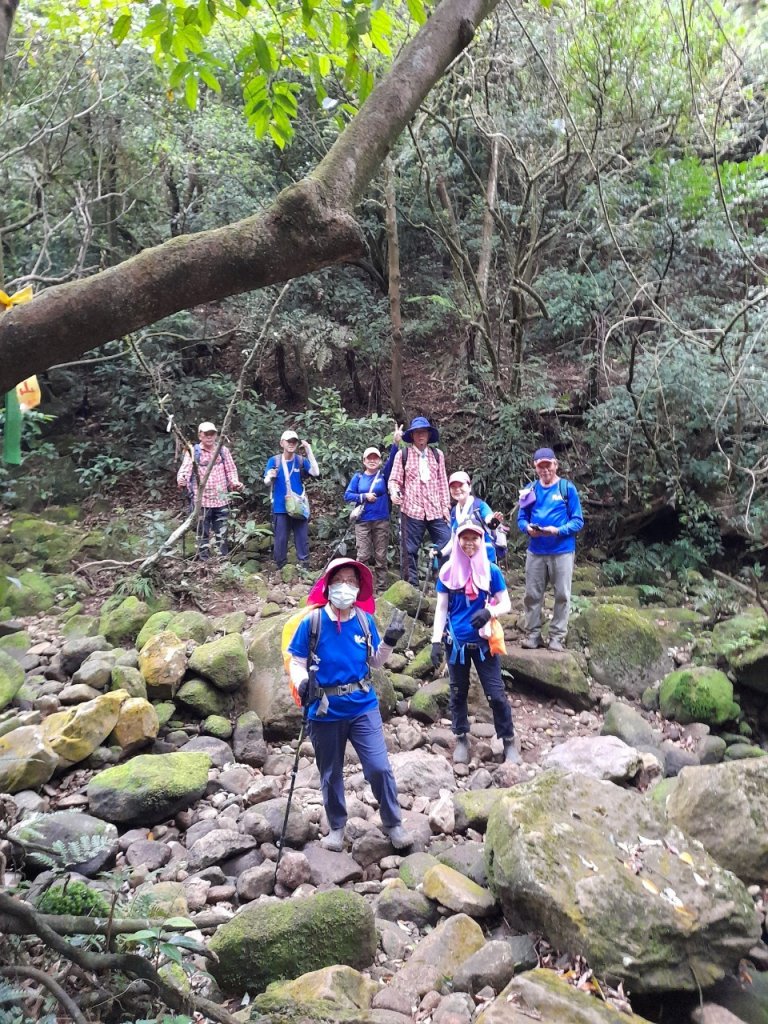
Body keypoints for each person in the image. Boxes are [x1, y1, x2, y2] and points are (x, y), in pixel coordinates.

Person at [288, 557, 414, 852]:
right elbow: (297, 661)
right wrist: (302, 682)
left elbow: (374, 662)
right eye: (340, 580)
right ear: (329, 585)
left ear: (359, 589)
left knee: (379, 767)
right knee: (330, 773)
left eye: (352, 581)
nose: (346, 586)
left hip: (362, 705)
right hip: (324, 709)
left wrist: (390, 641)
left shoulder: (364, 620)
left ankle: (393, 823)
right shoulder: (313, 622)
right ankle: (336, 827)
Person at [430, 520, 520, 765]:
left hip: (483, 644)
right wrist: (436, 641)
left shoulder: (491, 571)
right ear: (458, 541)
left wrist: (489, 612)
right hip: (455, 642)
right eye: (464, 538)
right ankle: (461, 737)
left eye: (474, 538)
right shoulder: (448, 571)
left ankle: (508, 740)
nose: (469, 543)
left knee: (496, 694)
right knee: (458, 692)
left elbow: (506, 603)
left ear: (481, 541)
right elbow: (441, 608)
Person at [516, 447, 584, 652]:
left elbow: (578, 521)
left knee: (562, 594)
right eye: (540, 466)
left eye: (548, 465)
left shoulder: (566, 488)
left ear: (555, 465)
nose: (545, 470)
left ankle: (557, 637)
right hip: (536, 550)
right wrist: (527, 529)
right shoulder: (530, 489)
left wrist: (558, 530)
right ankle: (533, 634)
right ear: (535, 467)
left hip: (562, 549)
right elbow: (521, 518)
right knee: (532, 595)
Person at [387, 416, 451, 586]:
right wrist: (394, 493)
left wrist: (446, 507)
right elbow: (394, 480)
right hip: (411, 509)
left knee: (447, 542)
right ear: (412, 436)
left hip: (435, 509)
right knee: (409, 550)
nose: (421, 435)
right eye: (417, 432)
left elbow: (443, 482)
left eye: (424, 432)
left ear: (429, 435)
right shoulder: (403, 455)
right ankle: (411, 587)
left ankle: (446, 582)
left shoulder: (438, 455)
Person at [177, 422, 243, 560]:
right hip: (201, 501)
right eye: (206, 433)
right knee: (202, 533)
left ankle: (223, 562)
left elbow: (231, 470)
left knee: (222, 534)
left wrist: (235, 483)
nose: (209, 436)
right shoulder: (194, 452)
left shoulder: (223, 451)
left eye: (212, 433)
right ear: (200, 435)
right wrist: (182, 480)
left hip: (222, 499)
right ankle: (204, 562)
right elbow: (185, 470)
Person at [343, 434, 400, 586]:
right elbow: (347, 495)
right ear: (364, 461)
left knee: (381, 555)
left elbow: (393, 461)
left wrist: (395, 443)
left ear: (380, 461)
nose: (372, 460)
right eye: (369, 458)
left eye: (375, 458)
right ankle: (361, 585)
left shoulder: (384, 476)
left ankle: (381, 585)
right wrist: (363, 496)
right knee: (363, 555)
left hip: (381, 519)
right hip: (362, 521)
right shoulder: (358, 477)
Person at [264, 429, 319, 570]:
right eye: (289, 441)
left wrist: (309, 451)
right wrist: (271, 476)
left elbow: (316, 472)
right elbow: (266, 482)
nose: (291, 444)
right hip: (280, 507)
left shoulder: (301, 461)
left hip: (299, 506)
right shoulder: (274, 461)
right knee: (281, 539)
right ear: (282, 443)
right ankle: (280, 567)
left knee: (302, 538)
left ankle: (304, 567)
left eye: (294, 441)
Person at [439, 470, 502, 565]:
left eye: (460, 485)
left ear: (469, 487)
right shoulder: (453, 512)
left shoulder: (479, 506)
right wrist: (441, 553)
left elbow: (488, 518)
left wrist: (493, 521)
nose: (457, 489)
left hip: (485, 560)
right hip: (463, 561)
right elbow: (454, 540)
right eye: (453, 487)